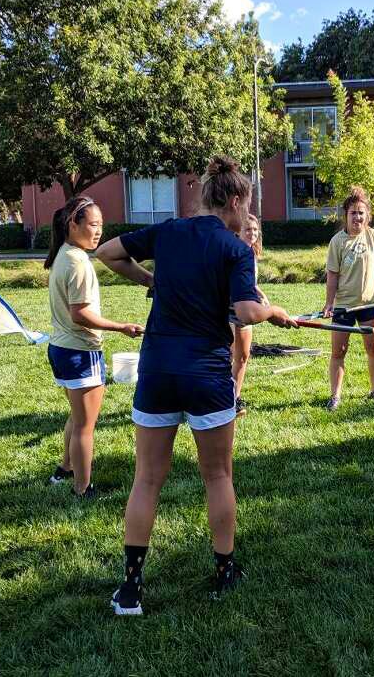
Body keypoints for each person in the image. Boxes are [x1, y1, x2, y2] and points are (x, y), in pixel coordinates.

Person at [96, 157, 296, 616]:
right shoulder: (235, 249)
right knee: (218, 475)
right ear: (232, 200)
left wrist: (152, 278)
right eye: (247, 205)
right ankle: (225, 572)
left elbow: (107, 253)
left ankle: (130, 591)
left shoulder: (168, 232)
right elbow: (247, 311)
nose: (247, 216)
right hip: (206, 374)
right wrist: (274, 310)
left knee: (146, 479)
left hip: (159, 370)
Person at [44, 196, 144, 497]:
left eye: (101, 225)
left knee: (77, 418)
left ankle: (65, 470)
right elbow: (81, 315)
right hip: (79, 352)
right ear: (73, 224)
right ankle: (82, 489)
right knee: (85, 426)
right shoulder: (78, 262)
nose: (99, 231)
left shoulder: (63, 253)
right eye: (93, 224)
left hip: (61, 348)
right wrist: (121, 327)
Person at [322, 187, 374, 411]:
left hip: (369, 305)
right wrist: (329, 303)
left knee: (373, 349)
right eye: (353, 213)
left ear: (367, 215)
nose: (357, 217)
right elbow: (332, 275)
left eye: (361, 212)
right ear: (346, 215)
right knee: (338, 352)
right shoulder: (337, 242)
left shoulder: (373, 236)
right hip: (343, 306)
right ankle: (335, 396)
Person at [231, 214, 270, 417]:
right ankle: (222, 399)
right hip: (229, 311)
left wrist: (260, 295)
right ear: (238, 231)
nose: (252, 233)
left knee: (243, 356)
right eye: (248, 229)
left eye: (255, 229)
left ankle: (235, 397)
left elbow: (249, 284)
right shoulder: (233, 251)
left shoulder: (251, 254)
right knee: (228, 356)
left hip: (247, 309)